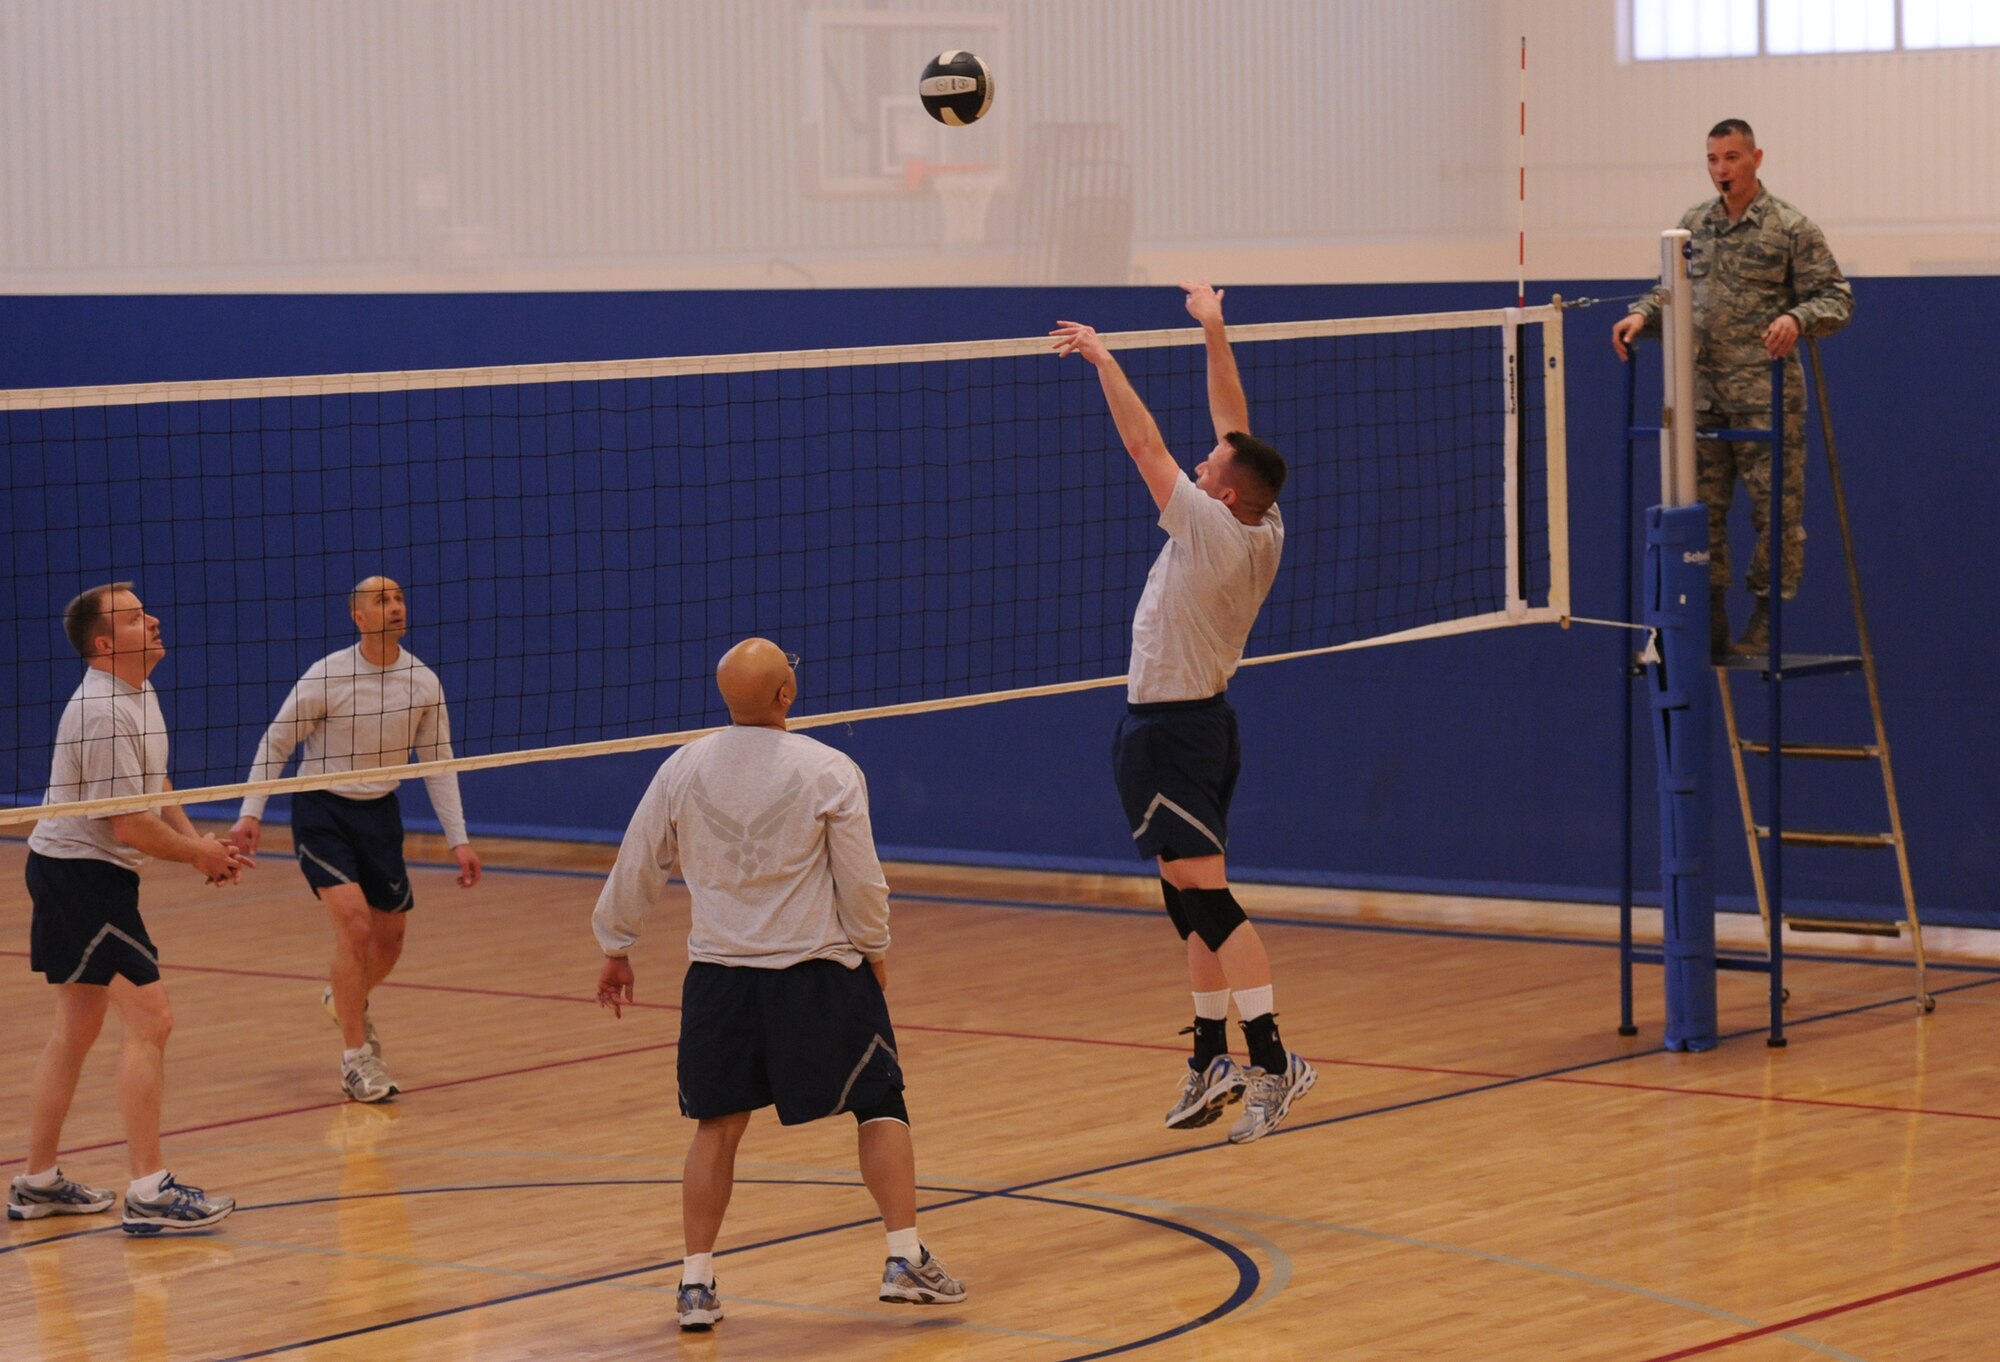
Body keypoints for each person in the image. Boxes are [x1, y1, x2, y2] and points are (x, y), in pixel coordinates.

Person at [591, 637, 964, 1333]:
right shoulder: (828, 769)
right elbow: (861, 879)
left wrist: (616, 945)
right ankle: (904, 1256)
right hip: (818, 974)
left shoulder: (683, 766)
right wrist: (874, 949)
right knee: (879, 1101)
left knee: (717, 1126)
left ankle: (696, 1283)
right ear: (785, 695)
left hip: (720, 979)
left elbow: (638, 859)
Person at [1050, 282, 1317, 1145]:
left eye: (1211, 471)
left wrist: (1102, 356)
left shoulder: (1209, 528)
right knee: (1186, 900)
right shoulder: (1264, 523)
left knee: (1210, 901)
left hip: (1171, 730)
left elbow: (1143, 442)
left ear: (1225, 497)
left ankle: (1275, 1060)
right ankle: (1210, 1055)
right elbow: (1232, 425)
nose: (1201, 466)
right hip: (1193, 726)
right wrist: (1213, 328)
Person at [11, 583, 252, 1234]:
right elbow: (128, 825)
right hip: (80, 878)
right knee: (153, 1017)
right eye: (133, 617)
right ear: (103, 643)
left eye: (148, 610)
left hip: (85, 876)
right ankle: (149, 1191)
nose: (153, 619)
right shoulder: (101, 709)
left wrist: (197, 838)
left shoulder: (137, 692)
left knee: (77, 1028)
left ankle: (36, 1182)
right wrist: (196, 856)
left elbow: (156, 786)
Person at [227, 576, 481, 1103]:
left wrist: (459, 840)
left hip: (380, 816)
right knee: (357, 927)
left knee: (390, 941)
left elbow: (438, 764)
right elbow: (276, 741)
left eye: (399, 598)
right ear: (358, 618)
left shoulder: (422, 682)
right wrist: (251, 813)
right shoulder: (327, 676)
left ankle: (343, 997)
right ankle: (355, 1058)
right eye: (381, 601)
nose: (394, 607)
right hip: (322, 810)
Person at [1612, 118, 1854, 656]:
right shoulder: (1692, 225)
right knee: (1703, 509)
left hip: (1766, 399)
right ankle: (1711, 613)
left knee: (1776, 512)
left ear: (1756, 158)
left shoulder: (1791, 227)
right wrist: (1640, 315)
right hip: (1701, 394)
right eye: (1713, 160)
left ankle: (1766, 616)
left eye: (1732, 158)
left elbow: (1838, 299)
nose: (1721, 170)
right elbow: (1668, 292)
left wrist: (1796, 317)